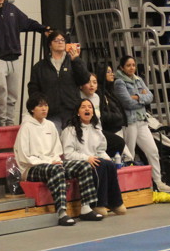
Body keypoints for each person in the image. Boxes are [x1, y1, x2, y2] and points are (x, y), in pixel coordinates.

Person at [14, 93, 105, 226]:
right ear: (32, 109)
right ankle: (61, 212)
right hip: (31, 168)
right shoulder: (26, 127)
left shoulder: (50, 125)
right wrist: (49, 162)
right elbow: (24, 156)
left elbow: (57, 150)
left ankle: (86, 208)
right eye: (40, 106)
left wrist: (55, 160)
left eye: (46, 105)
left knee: (83, 166)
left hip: (52, 163)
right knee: (56, 169)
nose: (44, 108)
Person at [114, 55, 170, 193]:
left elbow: (150, 97)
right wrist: (141, 99)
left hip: (142, 121)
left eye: (133, 65)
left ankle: (158, 182)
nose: (131, 68)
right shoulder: (119, 83)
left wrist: (137, 97)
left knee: (153, 151)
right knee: (129, 154)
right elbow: (127, 103)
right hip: (129, 122)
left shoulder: (138, 79)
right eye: (128, 65)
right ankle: (129, 185)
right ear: (122, 67)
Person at [61, 99, 126, 217]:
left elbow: (100, 150)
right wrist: (86, 158)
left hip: (93, 160)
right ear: (78, 112)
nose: (87, 109)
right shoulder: (70, 130)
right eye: (83, 107)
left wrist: (107, 159)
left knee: (109, 165)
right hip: (76, 163)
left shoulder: (96, 129)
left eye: (90, 107)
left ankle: (115, 202)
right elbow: (68, 154)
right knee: (99, 165)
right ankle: (97, 204)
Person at [28, 30, 92, 130]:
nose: (60, 42)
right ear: (50, 44)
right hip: (50, 113)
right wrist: (41, 105)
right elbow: (33, 89)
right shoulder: (39, 67)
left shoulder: (73, 61)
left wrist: (76, 61)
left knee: (72, 138)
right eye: (56, 40)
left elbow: (84, 79)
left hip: (72, 110)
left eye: (62, 40)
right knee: (54, 137)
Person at [92, 67, 129, 159]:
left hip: (118, 126)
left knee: (125, 157)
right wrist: (117, 116)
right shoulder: (99, 93)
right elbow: (102, 114)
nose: (112, 74)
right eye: (108, 72)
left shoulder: (110, 90)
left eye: (112, 71)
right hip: (111, 129)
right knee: (127, 157)